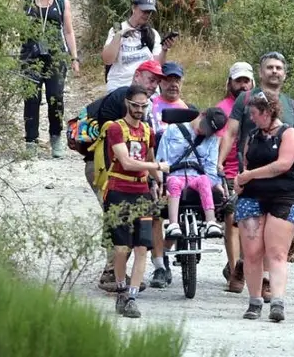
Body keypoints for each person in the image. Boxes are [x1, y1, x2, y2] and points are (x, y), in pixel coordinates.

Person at [217, 51, 294, 300]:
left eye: (279, 68)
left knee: (270, 232)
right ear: (261, 72)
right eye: (269, 67)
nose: (274, 71)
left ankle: (264, 278)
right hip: (249, 175)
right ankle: (239, 266)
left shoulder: (292, 106)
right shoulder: (245, 99)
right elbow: (231, 132)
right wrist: (221, 162)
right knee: (240, 222)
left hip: (281, 181)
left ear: (285, 74)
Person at [81, 59, 163, 292]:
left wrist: (152, 178)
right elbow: (118, 151)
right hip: (107, 170)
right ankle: (111, 275)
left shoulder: (140, 113)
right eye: (151, 79)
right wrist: (153, 170)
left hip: (125, 172)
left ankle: (117, 276)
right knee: (119, 224)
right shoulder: (120, 101)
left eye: (157, 81)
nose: (153, 85)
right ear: (137, 76)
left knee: (129, 231)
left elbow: (143, 148)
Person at [233, 92, 294, 322]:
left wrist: (249, 175)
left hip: (282, 197)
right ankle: (254, 301)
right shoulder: (252, 136)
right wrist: (240, 181)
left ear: (267, 112)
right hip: (252, 197)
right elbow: (244, 164)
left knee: (277, 252)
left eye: (254, 114)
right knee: (252, 253)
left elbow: (282, 165)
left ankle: (277, 302)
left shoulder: (289, 134)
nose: (251, 119)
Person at [100, 85, 169, 318]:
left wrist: (159, 182)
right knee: (121, 247)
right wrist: (157, 167)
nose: (139, 110)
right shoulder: (115, 129)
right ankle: (121, 288)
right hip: (119, 190)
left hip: (142, 193)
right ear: (127, 104)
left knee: (142, 246)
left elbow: (148, 158)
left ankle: (131, 295)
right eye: (136, 105)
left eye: (143, 106)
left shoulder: (148, 130)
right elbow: (127, 162)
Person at [21, 0, 79, 157]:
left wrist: (74, 57)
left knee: (56, 97)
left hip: (55, 57)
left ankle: (56, 138)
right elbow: (18, 27)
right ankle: (30, 140)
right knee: (31, 97)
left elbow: (68, 31)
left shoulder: (61, 1)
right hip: (31, 56)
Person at [157, 107, 227, 240]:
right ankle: (173, 224)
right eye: (205, 126)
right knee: (173, 183)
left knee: (205, 181)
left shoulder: (211, 139)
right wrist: (161, 181)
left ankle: (211, 222)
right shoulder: (173, 130)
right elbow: (161, 158)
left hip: (196, 176)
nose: (204, 131)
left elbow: (211, 167)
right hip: (175, 174)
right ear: (202, 115)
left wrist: (216, 183)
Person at [217, 61, 255, 293]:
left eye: (246, 80)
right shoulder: (221, 108)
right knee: (233, 218)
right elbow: (219, 140)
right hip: (229, 171)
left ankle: (241, 264)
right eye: (238, 80)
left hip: (252, 171)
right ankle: (234, 271)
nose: (242, 85)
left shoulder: (259, 106)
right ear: (229, 82)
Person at [101, 0, 176, 91]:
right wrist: (119, 36)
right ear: (134, 8)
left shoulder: (152, 34)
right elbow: (107, 60)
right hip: (120, 85)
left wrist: (164, 50)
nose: (146, 15)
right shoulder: (117, 30)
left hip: (146, 86)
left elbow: (157, 65)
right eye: (144, 11)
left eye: (149, 12)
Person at [149, 61, 189, 144]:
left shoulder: (186, 110)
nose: (173, 84)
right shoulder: (150, 104)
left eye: (177, 80)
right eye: (169, 80)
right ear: (160, 81)